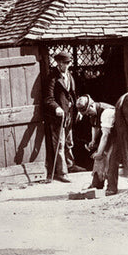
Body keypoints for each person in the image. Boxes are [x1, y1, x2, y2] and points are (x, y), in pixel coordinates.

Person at [43, 50, 78, 182]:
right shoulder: (52, 78)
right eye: (65, 63)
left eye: (69, 63)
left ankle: (70, 165)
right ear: (58, 63)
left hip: (69, 115)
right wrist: (56, 107)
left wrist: (78, 110)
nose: (67, 65)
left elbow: (73, 94)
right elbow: (48, 98)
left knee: (69, 142)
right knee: (60, 144)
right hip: (57, 117)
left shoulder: (69, 76)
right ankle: (62, 172)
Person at [75, 94, 115, 190]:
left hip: (118, 136)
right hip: (108, 135)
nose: (88, 114)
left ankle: (111, 187)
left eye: (88, 111)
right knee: (99, 156)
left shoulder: (107, 112)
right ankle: (97, 185)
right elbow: (95, 126)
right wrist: (93, 140)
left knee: (106, 156)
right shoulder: (92, 112)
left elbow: (105, 135)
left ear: (92, 105)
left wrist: (100, 152)